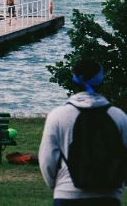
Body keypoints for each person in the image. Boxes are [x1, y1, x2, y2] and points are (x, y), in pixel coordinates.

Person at [39, 59, 127, 204]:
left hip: (67, 194)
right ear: (102, 82)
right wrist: (118, 187)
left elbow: (47, 160)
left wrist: (56, 186)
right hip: (108, 195)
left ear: (74, 81)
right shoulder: (118, 116)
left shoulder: (58, 115)